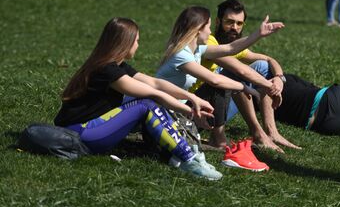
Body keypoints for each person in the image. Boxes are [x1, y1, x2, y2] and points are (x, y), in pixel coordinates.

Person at [53, 18, 223, 181]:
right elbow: (154, 93)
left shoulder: (114, 65)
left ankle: (179, 154)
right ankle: (189, 160)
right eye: (136, 41)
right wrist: (192, 111)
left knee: (147, 104)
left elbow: (155, 83)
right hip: (80, 134)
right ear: (125, 42)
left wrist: (191, 97)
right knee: (146, 105)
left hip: (84, 130)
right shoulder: (107, 70)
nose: (138, 46)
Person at [156, 6, 284, 152]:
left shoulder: (197, 50)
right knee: (220, 82)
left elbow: (230, 48)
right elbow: (214, 80)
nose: (210, 32)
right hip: (168, 116)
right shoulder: (181, 54)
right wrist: (246, 88)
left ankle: (218, 138)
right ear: (198, 29)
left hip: (182, 109)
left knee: (224, 79)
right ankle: (219, 140)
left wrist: (258, 34)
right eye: (208, 27)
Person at [189, 0, 300, 152]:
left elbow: (268, 59)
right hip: (196, 109)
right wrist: (270, 86)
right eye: (229, 22)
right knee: (233, 73)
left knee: (262, 66)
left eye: (239, 24)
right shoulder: (207, 41)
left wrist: (279, 78)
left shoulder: (234, 46)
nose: (234, 28)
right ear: (217, 21)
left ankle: (271, 131)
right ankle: (257, 133)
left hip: (217, 107)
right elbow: (240, 70)